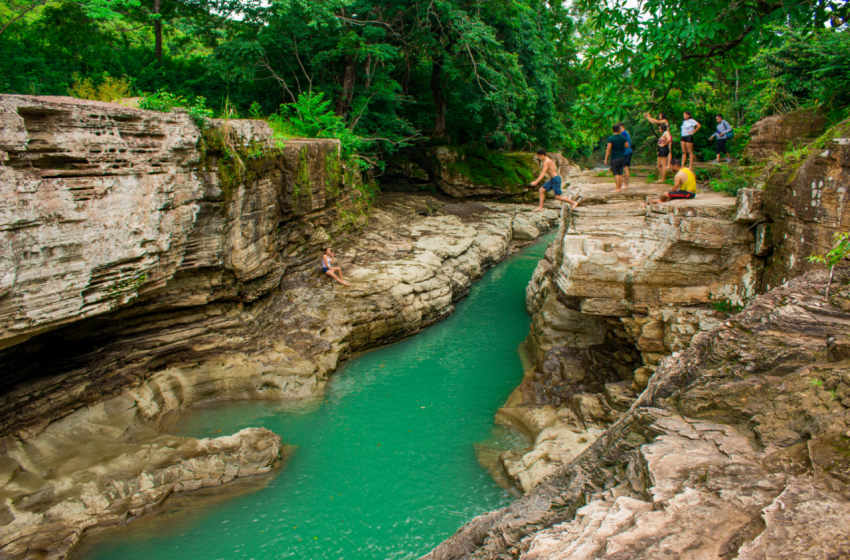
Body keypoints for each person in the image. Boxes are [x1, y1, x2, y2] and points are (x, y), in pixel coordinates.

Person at [603, 124, 630, 193]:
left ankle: (617, 188)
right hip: (621, 157)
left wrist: (606, 158)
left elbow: (608, 149)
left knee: (616, 173)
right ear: (618, 130)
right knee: (620, 172)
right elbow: (627, 146)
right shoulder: (622, 137)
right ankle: (620, 187)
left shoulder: (611, 138)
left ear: (613, 130)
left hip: (614, 158)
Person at [618, 122, 633, 189]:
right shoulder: (625, 133)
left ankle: (626, 184)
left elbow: (622, 143)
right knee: (625, 168)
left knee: (625, 168)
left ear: (621, 126)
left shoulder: (624, 133)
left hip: (626, 152)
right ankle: (625, 183)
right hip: (627, 152)